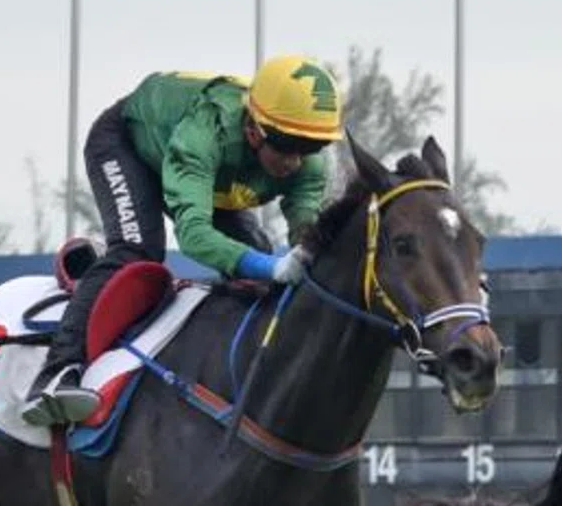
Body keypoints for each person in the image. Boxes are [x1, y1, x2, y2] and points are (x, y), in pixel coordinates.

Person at [22, 54, 344, 426]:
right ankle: (56, 373)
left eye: (312, 146)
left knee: (257, 268)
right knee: (138, 251)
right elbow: (193, 235)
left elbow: (305, 230)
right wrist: (274, 266)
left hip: (206, 176)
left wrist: (309, 253)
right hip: (128, 147)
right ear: (254, 130)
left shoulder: (307, 164)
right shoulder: (205, 135)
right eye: (288, 144)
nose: (297, 162)